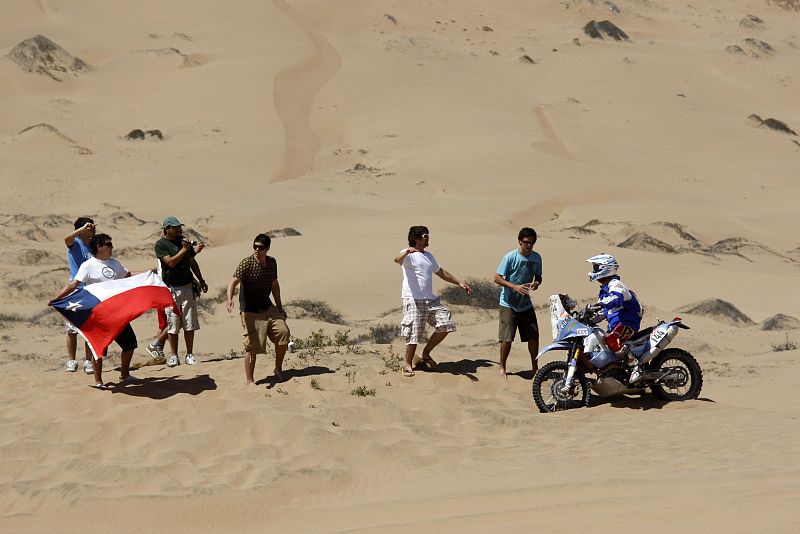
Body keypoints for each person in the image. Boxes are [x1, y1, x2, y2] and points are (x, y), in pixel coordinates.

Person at [50, 234, 140, 388]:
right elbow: (73, 284)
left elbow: (129, 276)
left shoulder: (115, 264)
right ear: (99, 246)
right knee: (98, 348)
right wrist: (56, 298)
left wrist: (148, 274)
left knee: (130, 344)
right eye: (108, 244)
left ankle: (125, 374)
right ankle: (98, 381)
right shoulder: (89, 265)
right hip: (99, 313)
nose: (111, 247)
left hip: (117, 313)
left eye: (111, 244)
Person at [394, 226, 472, 377]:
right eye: (425, 236)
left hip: (430, 299)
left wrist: (459, 282)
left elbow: (441, 272)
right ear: (416, 239)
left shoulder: (428, 256)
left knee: (446, 324)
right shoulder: (408, 255)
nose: (428, 238)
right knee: (414, 332)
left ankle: (425, 354)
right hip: (414, 299)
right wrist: (406, 252)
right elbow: (396, 260)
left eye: (428, 235)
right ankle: (408, 364)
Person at [225, 233, 290, 385]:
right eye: (254, 246)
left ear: (267, 248)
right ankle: (250, 380)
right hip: (250, 310)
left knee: (283, 334)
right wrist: (229, 299)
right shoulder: (247, 263)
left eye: (260, 247)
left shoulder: (272, 263)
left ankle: (278, 369)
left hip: (267, 306)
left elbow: (274, 285)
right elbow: (233, 281)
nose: (256, 249)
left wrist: (279, 307)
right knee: (252, 346)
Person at [155, 216, 207, 367]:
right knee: (173, 324)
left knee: (189, 322)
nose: (179, 229)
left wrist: (201, 280)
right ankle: (174, 356)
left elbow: (192, 262)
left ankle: (189, 354)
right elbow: (170, 262)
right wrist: (184, 249)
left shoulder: (184, 242)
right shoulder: (161, 245)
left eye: (179, 227)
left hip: (187, 287)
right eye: (175, 227)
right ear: (167, 229)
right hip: (170, 289)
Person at [586, 253, 644, 383]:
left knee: (612, 339)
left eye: (596, 268)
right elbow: (603, 312)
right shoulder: (605, 290)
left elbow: (616, 298)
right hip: (616, 325)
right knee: (601, 343)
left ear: (605, 268)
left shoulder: (616, 284)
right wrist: (588, 318)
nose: (593, 271)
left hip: (628, 323)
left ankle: (635, 366)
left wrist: (600, 304)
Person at [493, 227, 543, 378]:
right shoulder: (510, 257)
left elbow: (539, 276)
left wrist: (536, 283)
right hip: (508, 304)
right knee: (506, 339)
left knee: (533, 337)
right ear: (520, 241)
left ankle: (535, 368)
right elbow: (497, 278)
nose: (529, 246)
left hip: (525, 304)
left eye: (532, 243)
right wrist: (514, 286)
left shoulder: (536, 258)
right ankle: (502, 367)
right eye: (526, 242)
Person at [146, 241, 204, 361]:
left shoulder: (174, 249)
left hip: (171, 288)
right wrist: (188, 250)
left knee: (168, 323)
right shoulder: (163, 248)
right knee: (172, 322)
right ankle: (156, 345)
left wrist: (192, 252)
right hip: (166, 289)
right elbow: (173, 262)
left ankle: (158, 350)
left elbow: (184, 261)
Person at [64, 217, 95, 374]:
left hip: (92, 290)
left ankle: (88, 361)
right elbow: (67, 238)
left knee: (89, 328)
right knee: (72, 328)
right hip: (76, 290)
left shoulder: (94, 246)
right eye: (89, 227)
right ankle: (72, 360)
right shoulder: (75, 243)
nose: (93, 229)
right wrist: (82, 230)